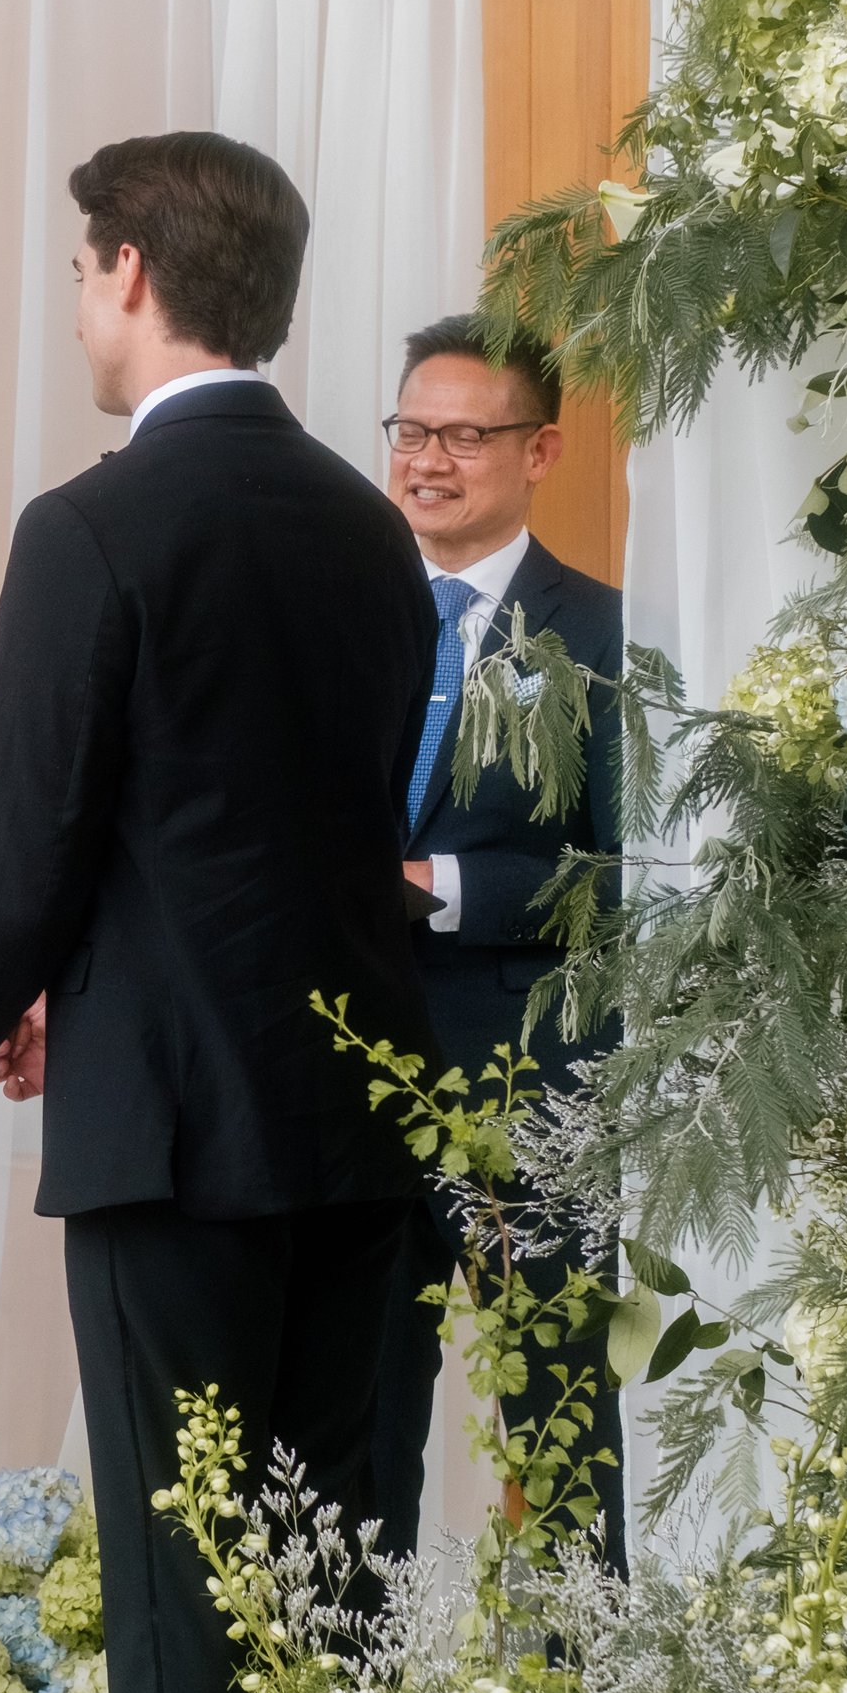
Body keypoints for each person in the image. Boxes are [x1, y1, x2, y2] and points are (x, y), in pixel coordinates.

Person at [0, 132, 436, 1693]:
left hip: (173, 1123)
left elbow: (32, 834)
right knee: (329, 1548)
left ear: (130, 268)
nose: (75, 304)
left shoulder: (94, 527)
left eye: (77, 270)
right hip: (360, 1121)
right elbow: (317, 815)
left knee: (183, 1560)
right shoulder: (373, 528)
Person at [368, 312, 625, 1567]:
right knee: (354, 1423)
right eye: (412, 429)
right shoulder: (331, 618)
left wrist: (443, 883)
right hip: (351, 1079)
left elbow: (626, 874)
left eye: (466, 433)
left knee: (561, 1429)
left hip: (533, 1084)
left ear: (541, 449)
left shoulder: (604, 633)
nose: (430, 457)